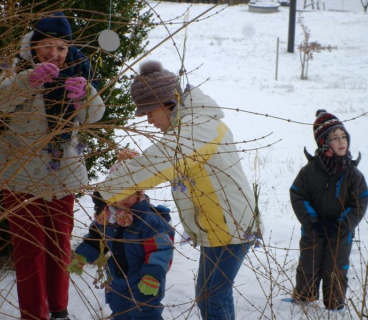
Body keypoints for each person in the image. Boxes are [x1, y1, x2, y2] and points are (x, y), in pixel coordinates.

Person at [96, 60, 264, 320]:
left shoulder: (197, 129)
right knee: (214, 293)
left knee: (211, 296)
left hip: (229, 226)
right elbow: (167, 163)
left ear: (167, 104)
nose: (149, 121)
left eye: (149, 112)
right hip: (221, 225)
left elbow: (159, 164)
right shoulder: (192, 126)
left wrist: (107, 190)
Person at [0, 12, 105, 320]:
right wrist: (28, 83)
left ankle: (59, 309)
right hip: (20, 178)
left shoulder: (78, 71)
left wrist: (85, 96)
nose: (54, 54)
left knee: (59, 246)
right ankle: (33, 314)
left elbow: (94, 117)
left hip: (63, 177)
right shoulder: (16, 71)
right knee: (29, 250)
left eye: (60, 47)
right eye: (47, 45)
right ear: (34, 47)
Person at [290, 110, 368, 310]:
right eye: (334, 138)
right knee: (309, 262)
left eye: (344, 136)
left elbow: (359, 201)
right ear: (324, 143)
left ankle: (335, 305)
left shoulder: (353, 175)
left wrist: (343, 224)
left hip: (340, 231)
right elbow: (298, 194)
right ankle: (303, 300)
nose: (342, 141)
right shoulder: (309, 172)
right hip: (314, 228)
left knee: (336, 267)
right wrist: (312, 220)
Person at [68, 189, 174, 320]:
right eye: (120, 193)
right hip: (117, 277)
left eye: (131, 193)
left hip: (144, 278)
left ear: (139, 194)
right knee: (119, 310)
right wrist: (82, 256)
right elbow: (97, 238)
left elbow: (161, 249)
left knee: (145, 312)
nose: (126, 198)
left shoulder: (148, 220)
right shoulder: (106, 217)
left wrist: (152, 275)